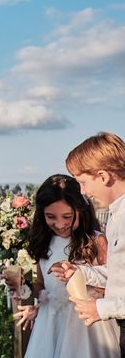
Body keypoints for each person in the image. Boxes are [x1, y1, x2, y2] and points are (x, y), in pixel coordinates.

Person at [8, 174, 120, 358]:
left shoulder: (95, 241)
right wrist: (24, 288)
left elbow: (112, 284)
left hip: (86, 328)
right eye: (51, 216)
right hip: (50, 323)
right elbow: (44, 287)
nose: (59, 224)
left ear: (80, 210)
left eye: (67, 216)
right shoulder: (43, 243)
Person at [50, 132, 125, 357]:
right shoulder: (115, 216)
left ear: (103, 176)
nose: (83, 192)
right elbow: (117, 273)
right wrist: (80, 272)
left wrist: (101, 308)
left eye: (83, 182)